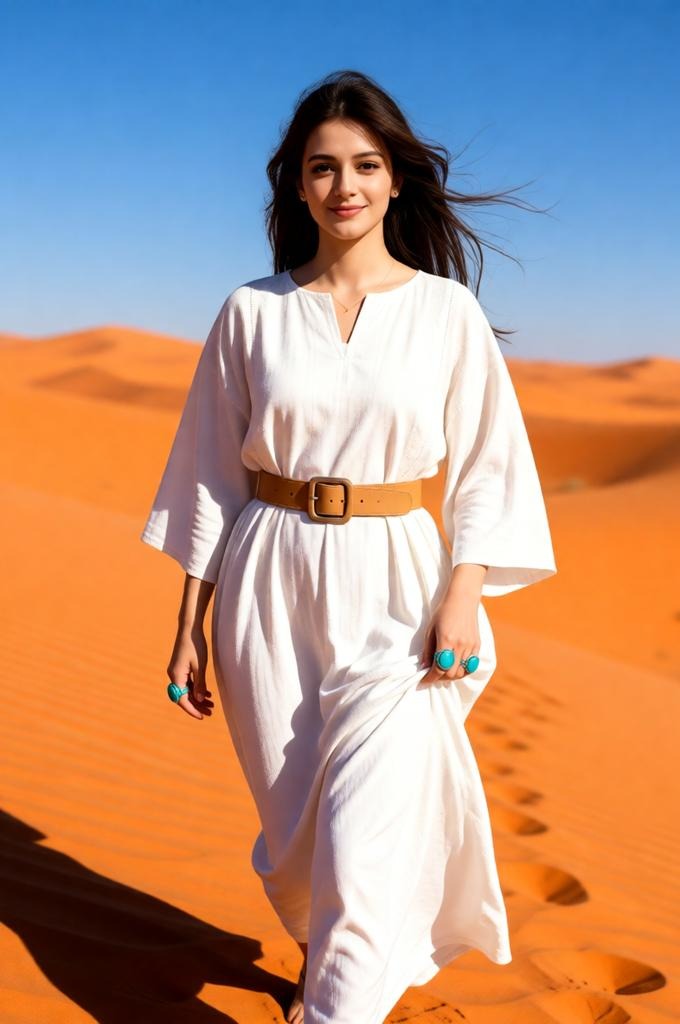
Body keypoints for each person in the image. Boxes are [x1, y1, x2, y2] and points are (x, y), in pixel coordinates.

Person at [140, 69, 557, 1024]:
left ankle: (334, 1006)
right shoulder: (250, 312)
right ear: (296, 184)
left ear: (397, 179)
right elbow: (210, 472)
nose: (346, 186)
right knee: (299, 845)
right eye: (323, 168)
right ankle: (331, 964)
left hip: (403, 585)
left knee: (367, 836)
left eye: (366, 165)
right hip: (267, 578)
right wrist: (188, 621)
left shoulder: (446, 312)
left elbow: (491, 463)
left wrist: (466, 588)